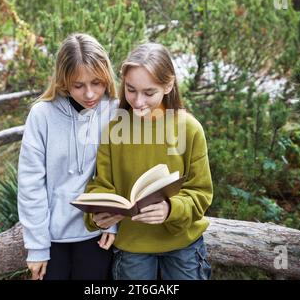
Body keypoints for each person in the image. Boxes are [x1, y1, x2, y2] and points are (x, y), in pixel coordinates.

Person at [84, 43, 213, 280]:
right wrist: (98, 214)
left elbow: (201, 193)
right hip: (133, 245)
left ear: (168, 85)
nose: (138, 101)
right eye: (131, 90)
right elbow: (102, 184)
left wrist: (170, 209)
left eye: (149, 92)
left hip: (182, 244)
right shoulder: (115, 129)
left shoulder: (189, 128)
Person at [17, 33, 119, 280]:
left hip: (95, 230)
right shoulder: (42, 115)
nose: (90, 94)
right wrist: (37, 246)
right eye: (78, 85)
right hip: (52, 237)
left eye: (97, 82)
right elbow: (30, 183)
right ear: (63, 81)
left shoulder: (113, 110)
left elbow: (115, 174)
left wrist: (112, 222)